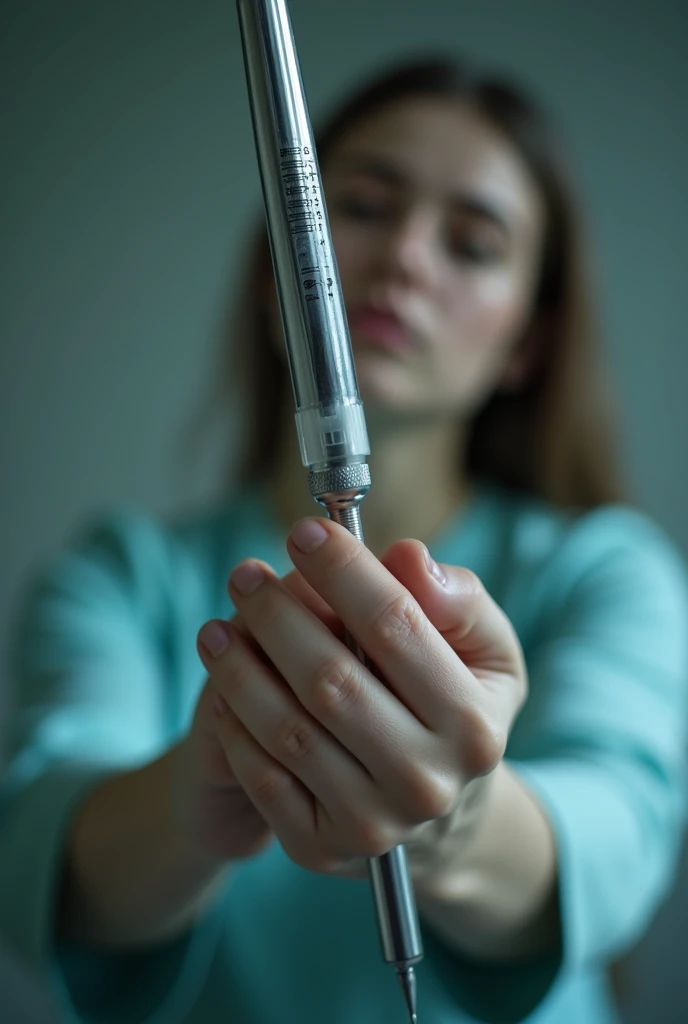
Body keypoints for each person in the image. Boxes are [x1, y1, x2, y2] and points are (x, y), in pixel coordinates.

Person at [0, 55, 686, 1024]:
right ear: (276, 269)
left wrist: (455, 815)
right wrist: (202, 792)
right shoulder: (118, 573)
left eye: (473, 244)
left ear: (524, 343)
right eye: (360, 206)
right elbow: (38, 858)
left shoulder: (606, 571)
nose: (404, 256)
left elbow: (619, 836)